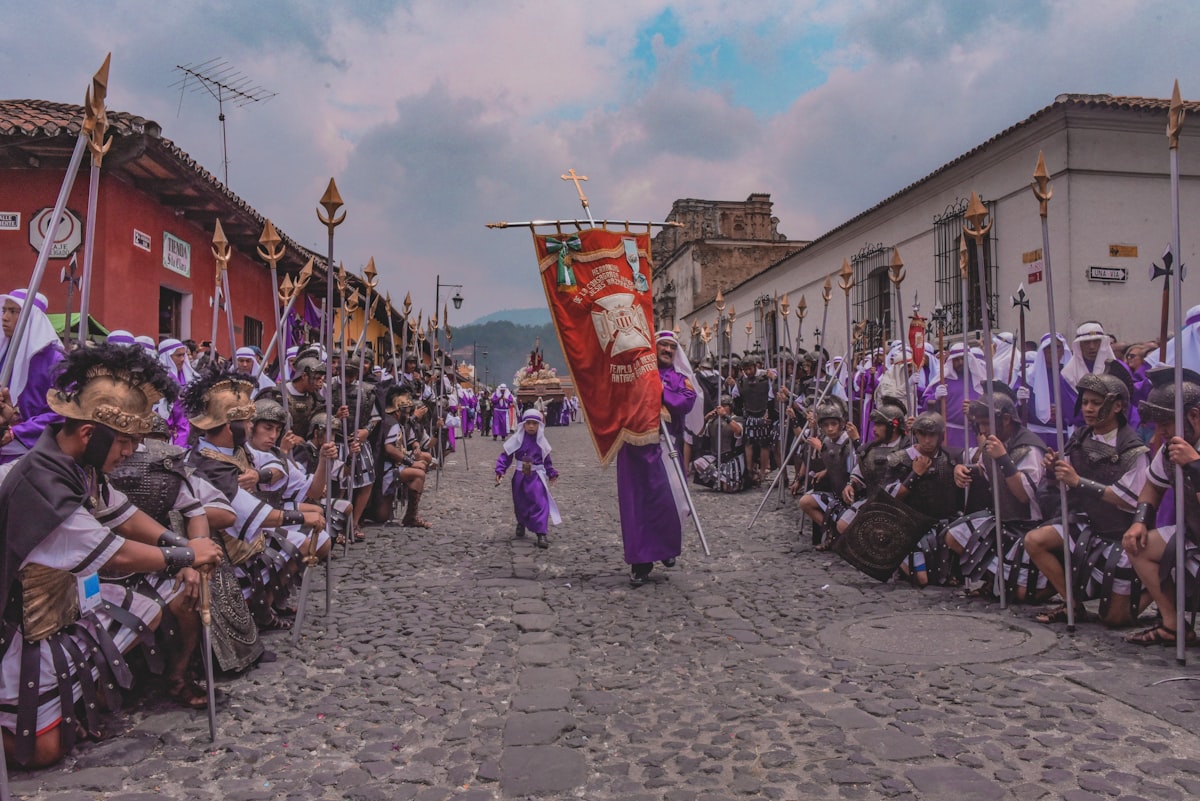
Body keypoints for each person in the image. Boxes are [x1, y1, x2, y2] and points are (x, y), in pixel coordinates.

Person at [0, 343, 223, 767]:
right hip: (22, 623)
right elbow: (115, 555)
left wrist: (178, 547)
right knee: (42, 752)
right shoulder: (45, 484)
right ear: (89, 433)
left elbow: (124, 515)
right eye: (126, 442)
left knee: (150, 606)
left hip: (61, 605)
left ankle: (81, 701)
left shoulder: (75, 465)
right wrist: (186, 556)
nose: (129, 453)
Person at [1023, 362, 1149, 627]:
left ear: (1116, 406)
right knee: (1035, 540)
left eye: (1096, 402)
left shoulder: (1133, 450)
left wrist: (1078, 481)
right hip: (1087, 525)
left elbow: (1128, 500)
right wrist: (1052, 471)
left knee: (1115, 620)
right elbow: (1063, 485)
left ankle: (1154, 593)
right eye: (1086, 402)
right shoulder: (1080, 438)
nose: (1089, 409)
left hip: (1120, 534)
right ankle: (1072, 604)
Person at [944, 382, 1049, 600]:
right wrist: (963, 470)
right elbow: (985, 472)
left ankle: (1009, 580)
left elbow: (1023, 495)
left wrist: (1003, 458)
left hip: (1027, 524)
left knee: (1020, 595)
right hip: (1001, 518)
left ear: (1006, 420)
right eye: (979, 424)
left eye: (986, 424)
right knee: (953, 535)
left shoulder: (1028, 449)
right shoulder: (994, 442)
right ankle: (995, 578)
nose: (982, 430)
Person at [1122, 366, 1200, 645]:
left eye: (1166, 423)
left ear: (1193, 416)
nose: (1161, 432)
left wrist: (1194, 466)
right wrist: (1140, 521)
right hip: (1194, 533)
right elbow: (1152, 486)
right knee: (1137, 544)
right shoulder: (1171, 448)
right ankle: (1173, 624)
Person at [618, 330, 696, 586]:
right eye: (662, 345)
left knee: (671, 502)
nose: (667, 350)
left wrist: (662, 391)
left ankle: (666, 548)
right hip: (636, 448)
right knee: (638, 506)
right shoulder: (638, 375)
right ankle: (641, 562)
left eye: (672, 347)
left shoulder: (681, 378)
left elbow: (686, 401)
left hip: (666, 448)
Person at [0, 289, 66, 463]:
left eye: (13, 311)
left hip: (31, 452)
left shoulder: (56, 361)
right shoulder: (3, 352)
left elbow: (63, 411)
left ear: (32, 318)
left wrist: (19, 431)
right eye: (4, 310)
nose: (5, 317)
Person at [495, 408, 560, 549]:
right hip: (521, 475)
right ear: (523, 424)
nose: (531, 426)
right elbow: (506, 456)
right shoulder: (517, 439)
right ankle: (521, 522)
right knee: (521, 502)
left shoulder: (541, 441)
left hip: (536, 477)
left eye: (535, 423)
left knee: (540, 503)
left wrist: (551, 472)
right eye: (528, 423)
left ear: (539, 425)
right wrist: (500, 470)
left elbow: (546, 458)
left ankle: (541, 533)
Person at [691, 394, 745, 492]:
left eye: (725, 406)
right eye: (720, 406)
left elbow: (738, 430)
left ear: (731, 407)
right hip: (716, 457)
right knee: (698, 463)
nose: (722, 408)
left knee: (728, 488)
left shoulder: (737, 419)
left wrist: (725, 416)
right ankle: (720, 478)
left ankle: (723, 480)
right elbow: (698, 433)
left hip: (732, 457)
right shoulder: (713, 421)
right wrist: (706, 419)